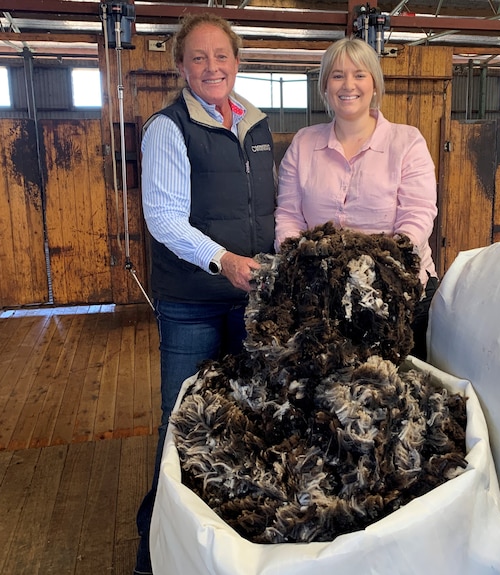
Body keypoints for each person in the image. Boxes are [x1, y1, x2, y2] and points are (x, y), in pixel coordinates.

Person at [134, 13, 275, 575]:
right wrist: (224, 260)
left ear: (237, 62)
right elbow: (164, 218)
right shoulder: (168, 128)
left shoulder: (259, 127)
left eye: (222, 56)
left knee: (247, 412)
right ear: (181, 66)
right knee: (182, 415)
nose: (212, 67)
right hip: (192, 299)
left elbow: (267, 210)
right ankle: (155, 546)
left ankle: (229, 541)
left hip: (251, 297)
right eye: (199, 57)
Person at [275, 37, 438, 360]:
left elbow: (417, 214)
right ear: (325, 87)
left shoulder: (406, 142)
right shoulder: (304, 143)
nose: (348, 84)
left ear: (375, 84)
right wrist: (301, 266)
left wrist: (379, 271)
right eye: (337, 75)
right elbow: (289, 216)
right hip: (321, 297)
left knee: (398, 393)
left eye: (359, 74)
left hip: (397, 295)